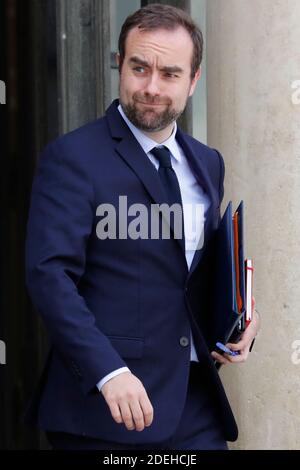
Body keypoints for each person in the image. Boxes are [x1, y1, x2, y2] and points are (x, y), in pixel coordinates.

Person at [24, 4, 260, 450]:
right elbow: (49, 275)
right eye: (139, 68)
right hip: (107, 409)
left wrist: (241, 316)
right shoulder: (72, 158)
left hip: (195, 401)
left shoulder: (207, 163)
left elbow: (195, 270)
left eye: (170, 74)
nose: (151, 87)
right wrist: (107, 372)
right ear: (120, 65)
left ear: (193, 80)